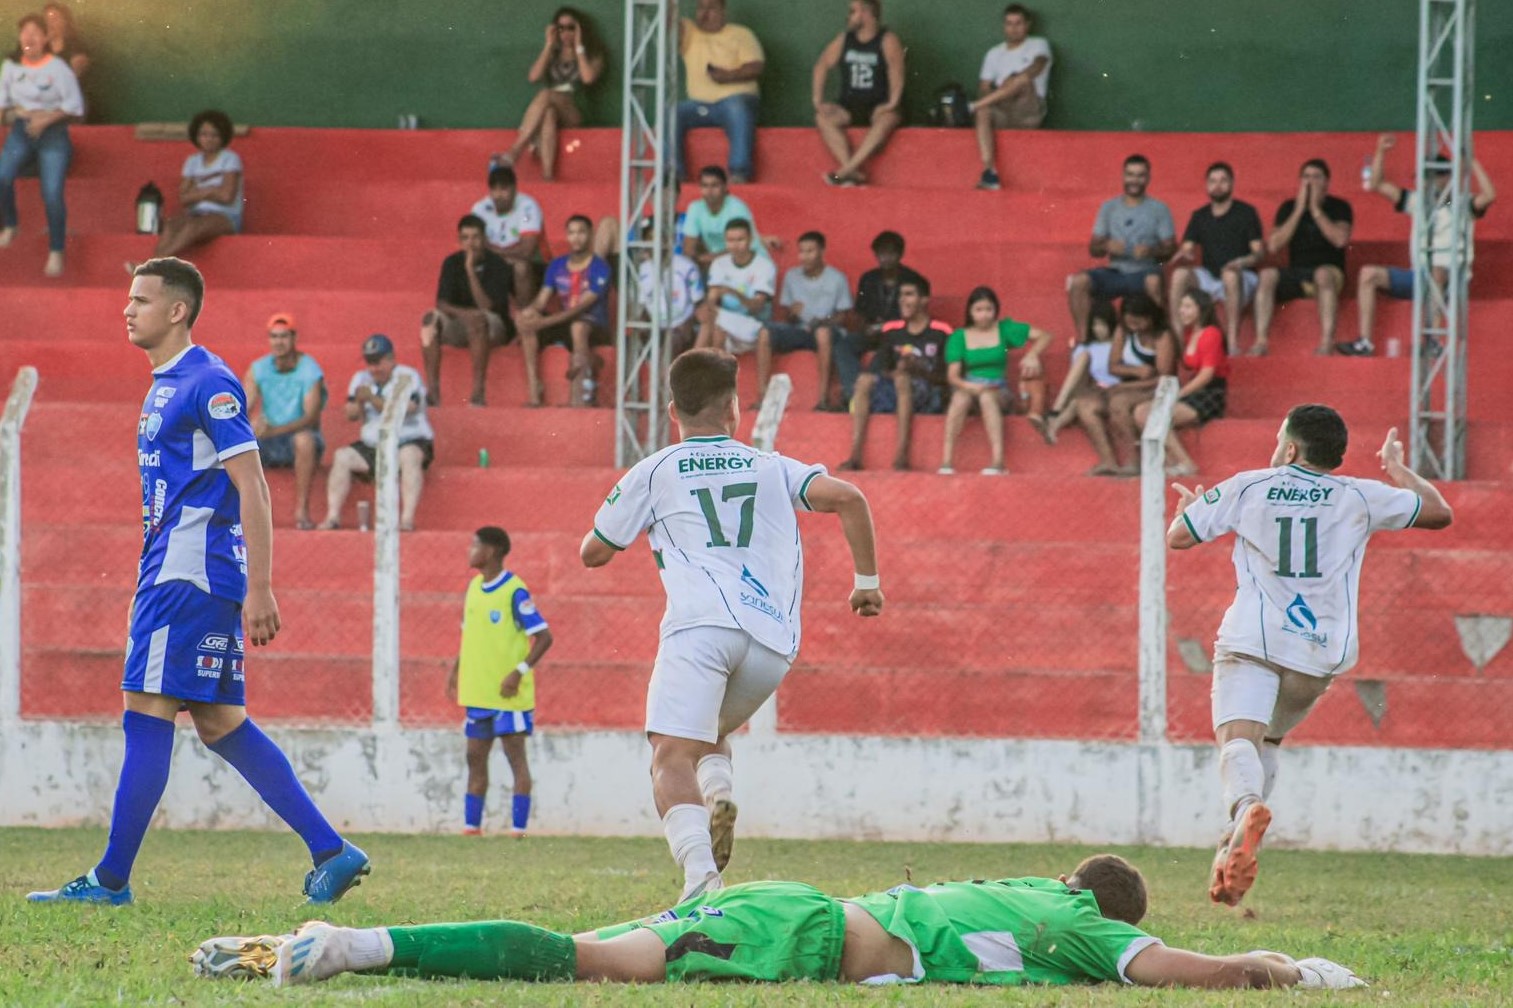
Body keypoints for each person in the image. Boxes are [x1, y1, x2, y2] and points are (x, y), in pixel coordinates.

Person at [25, 258, 370, 906]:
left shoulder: (208, 382)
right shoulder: (166, 383)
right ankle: (332, 850)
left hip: (187, 572)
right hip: (180, 569)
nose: (127, 310)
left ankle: (109, 880)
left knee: (145, 711)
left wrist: (261, 587)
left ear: (177, 310)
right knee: (219, 723)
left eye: (141, 300)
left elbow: (253, 486)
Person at [580, 348, 882, 901]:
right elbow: (849, 498)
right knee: (711, 729)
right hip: (771, 643)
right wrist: (867, 582)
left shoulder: (655, 470)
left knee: (671, 756)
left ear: (673, 410)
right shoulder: (771, 466)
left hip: (699, 628)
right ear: (734, 409)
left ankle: (700, 885)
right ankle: (718, 796)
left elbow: (593, 553)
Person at [192, 852, 1368, 991]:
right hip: (800, 936)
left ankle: (286, 950)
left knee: (598, 947)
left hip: (788, 907)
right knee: (589, 964)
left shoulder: (1022, 890)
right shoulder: (1091, 929)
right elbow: (1174, 968)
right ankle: (353, 947)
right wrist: (1277, 967)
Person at [1168, 405, 1452, 906]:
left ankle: (1245, 811)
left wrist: (1188, 510)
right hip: (1318, 656)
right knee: (1269, 740)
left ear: (1292, 448)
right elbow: (1438, 512)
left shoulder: (1250, 485)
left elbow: (1180, 537)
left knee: (1238, 740)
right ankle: (1234, 837)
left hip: (1253, 641)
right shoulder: (1361, 495)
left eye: (1281, 439)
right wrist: (1397, 469)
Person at [1338, 134, 1497, 356]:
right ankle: (1364, 342)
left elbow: (1490, 195)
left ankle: (1432, 340)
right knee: (1367, 274)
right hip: (1421, 277)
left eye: (1433, 176)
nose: (1428, 181)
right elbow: (1376, 184)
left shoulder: (1462, 203)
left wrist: (1471, 161)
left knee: (1438, 271)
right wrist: (1381, 152)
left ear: (1447, 177)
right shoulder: (1419, 202)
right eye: (1425, 176)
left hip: (1454, 280)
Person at [445, 526, 554, 839]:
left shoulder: (515, 591)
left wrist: (519, 671)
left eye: (474, 545)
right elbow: (470, 635)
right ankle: (471, 829)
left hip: (508, 695)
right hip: (478, 692)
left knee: (515, 759)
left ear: (490, 551)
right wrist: (455, 670)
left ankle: (518, 831)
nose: (469, 551)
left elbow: (544, 637)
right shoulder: (473, 588)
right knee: (474, 758)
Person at [318, 334, 434, 532]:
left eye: (378, 362)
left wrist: (371, 398)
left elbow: (408, 408)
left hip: (408, 439)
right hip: (375, 444)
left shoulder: (407, 376)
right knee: (342, 457)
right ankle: (333, 516)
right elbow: (351, 414)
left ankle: (406, 520)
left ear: (391, 359)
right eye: (369, 363)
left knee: (410, 456)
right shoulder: (361, 378)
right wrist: (359, 403)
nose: (373, 368)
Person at [838, 275, 951, 471]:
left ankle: (901, 457)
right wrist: (898, 370)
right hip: (898, 391)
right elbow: (882, 368)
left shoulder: (941, 332)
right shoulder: (894, 332)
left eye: (909, 295)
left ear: (924, 300)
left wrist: (919, 369)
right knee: (865, 380)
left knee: (902, 380)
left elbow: (946, 378)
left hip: (929, 395)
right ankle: (855, 455)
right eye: (900, 295)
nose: (902, 300)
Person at [0, 12, 83, 277]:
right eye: (25, 32)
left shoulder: (58, 68)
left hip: (53, 133)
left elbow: (74, 106)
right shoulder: (11, 66)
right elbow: (3, 103)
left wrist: (45, 119)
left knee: (51, 192)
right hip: (22, 130)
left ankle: (56, 250)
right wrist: (19, 116)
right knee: (2, 176)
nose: (30, 38)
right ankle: (10, 225)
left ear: (46, 38)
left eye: (36, 32)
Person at [938, 285, 1051, 476]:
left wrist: (1032, 354)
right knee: (959, 399)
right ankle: (946, 461)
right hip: (969, 386)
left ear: (996, 310)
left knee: (987, 398)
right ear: (970, 312)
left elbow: (1045, 336)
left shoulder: (1004, 329)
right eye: (978, 310)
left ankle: (998, 462)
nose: (984, 315)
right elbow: (953, 377)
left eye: (988, 309)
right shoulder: (959, 336)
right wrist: (971, 386)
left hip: (998, 389)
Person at [1066, 154, 1174, 345]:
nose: (1135, 180)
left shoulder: (1160, 209)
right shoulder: (1108, 208)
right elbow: (1094, 249)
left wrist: (1151, 251)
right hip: (1115, 272)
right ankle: (1084, 342)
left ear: (1148, 178)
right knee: (1079, 282)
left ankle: (1157, 342)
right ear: (1123, 176)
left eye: (1140, 175)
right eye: (1130, 175)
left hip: (1144, 272)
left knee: (1154, 281)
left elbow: (1171, 249)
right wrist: (1107, 245)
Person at [1252, 159, 1353, 356]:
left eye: (1316, 177)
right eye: (1306, 177)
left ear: (1327, 182)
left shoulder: (1340, 207)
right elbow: (1273, 245)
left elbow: (1340, 240)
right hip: (1297, 273)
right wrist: (1299, 210)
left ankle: (1326, 342)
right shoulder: (1288, 207)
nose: (1310, 182)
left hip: (1330, 273)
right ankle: (1261, 341)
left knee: (1323, 274)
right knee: (1266, 276)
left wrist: (1315, 210)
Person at [493, 7, 604, 182]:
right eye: (561, 28)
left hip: (576, 111)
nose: (566, 33)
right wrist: (548, 45)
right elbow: (533, 76)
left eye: (571, 28)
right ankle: (547, 176)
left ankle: (516, 150)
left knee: (547, 94)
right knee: (548, 114)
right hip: (552, 109)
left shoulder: (593, 53)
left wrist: (579, 47)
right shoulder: (554, 53)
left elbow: (588, 78)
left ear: (580, 29)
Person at [517, 214, 613, 408]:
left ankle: (578, 398)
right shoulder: (557, 265)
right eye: (571, 233)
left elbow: (580, 308)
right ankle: (536, 392)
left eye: (581, 232)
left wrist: (544, 322)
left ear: (591, 235)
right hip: (563, 322)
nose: (576, 237)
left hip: (594, 325)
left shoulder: (600, 267)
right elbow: (541, 301)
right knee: (525, 320)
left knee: (578, 326)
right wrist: (529, 313)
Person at [126, 109, 243, 269]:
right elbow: (184, 198)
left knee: (192, 227)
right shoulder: (192, 161)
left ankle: (151, 266)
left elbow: (226, 196)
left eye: (214, 135)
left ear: (223, 136)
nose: (208, 139)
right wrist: (211, 190)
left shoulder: (230, 158)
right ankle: (155, 268)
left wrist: (198, 192)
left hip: (225, 216)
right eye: (204, 134)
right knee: (171, 225)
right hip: (195, 214)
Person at [1168, 161, 1265, 355]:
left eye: (1223, 180)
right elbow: (1187, 248)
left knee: (1229, 274)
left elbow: (1259, 253)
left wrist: (1241, 262)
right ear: (1206, 185)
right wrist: (1182, 255)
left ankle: (1232, 344)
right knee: (1179, 274)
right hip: (1210, 277)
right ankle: (1177, 343)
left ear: (1232, 183)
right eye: (1212, 181)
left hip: (1241, 275)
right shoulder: (1199, 215)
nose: (1217, 185)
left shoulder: (1246, 212)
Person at [419, 213, 513, 408]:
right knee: (429, 320)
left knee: (478, 319)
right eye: (465, 238)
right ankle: (433, 393)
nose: (471, 243)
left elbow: (487, 306)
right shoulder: (451, 262)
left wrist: (470, 271)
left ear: (484, 239)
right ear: (459, 240)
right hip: (461, 321)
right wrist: (465, 315)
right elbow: (442, 303)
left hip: (493, 326)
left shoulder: (498, 265)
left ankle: (478, 394)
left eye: (476, 237)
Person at [1133, 289, 1228, 478]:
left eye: (1187, 307)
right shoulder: (1189, 333)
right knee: (1141, 411)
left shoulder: (1211, 334)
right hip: (1194, 391)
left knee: (1155, 416)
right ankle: (1170, 463)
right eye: (1181, 306)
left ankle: (1185, 463)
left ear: (1200, 309)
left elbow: (1206, 375)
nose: (1182, 311)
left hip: (1209, 393)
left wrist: (1179, 394)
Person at [244, 313, 326, 530]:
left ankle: (302, 511)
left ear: (294, 338)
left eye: (283, 336)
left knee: (304, 440)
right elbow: (243, 406)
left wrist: (274, 431)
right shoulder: (258, 368)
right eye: (273, 337)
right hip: (269, 438)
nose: (278, 342)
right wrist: (250, 427)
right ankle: (238, 515)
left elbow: (311, 417)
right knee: (237, 443)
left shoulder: (309, 369)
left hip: (298, 437)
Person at [813, 0, 904, 188]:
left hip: (878, 106)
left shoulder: (887, 39)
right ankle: (850, 171)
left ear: (865, 12)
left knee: (886, 121)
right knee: (822, 118)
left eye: (853, 11)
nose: (849, 16)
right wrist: (818, 100)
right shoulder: (844, 39)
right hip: (849, 105)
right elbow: (822, 65)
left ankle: (845, 172)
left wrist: (892, 103)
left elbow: (897, 70)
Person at [674, 0, 764, 184]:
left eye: (711, 8)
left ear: (723, 11)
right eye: (701, 8)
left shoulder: (741, 34)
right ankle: (673, 173)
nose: (705, 13)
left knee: (736, 107)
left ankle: (739, 172)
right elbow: (668, 22)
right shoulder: (690, 32)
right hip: (699, 105)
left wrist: (727, 75)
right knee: (672, 113)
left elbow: (756, 67)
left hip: (734, 101)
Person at [761, 230, 852, 410]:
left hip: (826, 330)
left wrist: (825, 320)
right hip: (801, 330)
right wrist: (792, 314)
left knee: (822, 333)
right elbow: (788, 317)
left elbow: (843, 316)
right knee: (765, 332)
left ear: (822, 252)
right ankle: (762, 398)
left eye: (810, 251)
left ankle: (823, 399)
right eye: (801, 251)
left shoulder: (837, 278)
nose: (804, 257)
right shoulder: (791, 276)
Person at [833, 230, 927, 404]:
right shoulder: (868, 279)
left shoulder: (913, 280)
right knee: (843, 345)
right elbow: (860, 311)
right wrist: (866, 328)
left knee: (882, 355)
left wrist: (889, 328)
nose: (885, 258)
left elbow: (917, 315)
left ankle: (865, 395)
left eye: (890, 252)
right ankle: (852, 391)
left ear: (900, 254)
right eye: (881, 253)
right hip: (871, 331)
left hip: (898, 335)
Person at [970, 3, 1051, 191]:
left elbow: (1037, 67)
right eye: (1009, 23)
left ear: (1027, 24)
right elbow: (984, 87)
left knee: (1021, 79)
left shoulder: (1038, 44)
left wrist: (1012, 80)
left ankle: (972, 106)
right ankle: (990, 172)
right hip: (1003, 109)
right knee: (983, 110)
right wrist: (1000, 91)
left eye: (1018, 23)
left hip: (1028, 110)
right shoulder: (994, 53)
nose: (1013, 28)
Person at [694, 218, 776, 403]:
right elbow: (712, 301)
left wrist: (733, 293)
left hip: (755, 325)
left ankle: (691, 372)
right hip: (726, 325)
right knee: (713, 324)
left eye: (740, 239)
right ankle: (719, 396)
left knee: (713, 318)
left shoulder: (764, 265)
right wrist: (708, 304)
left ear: (751, 239)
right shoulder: (720, 264)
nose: (735, 245)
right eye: (730, 240)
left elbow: (758, 306)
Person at [1040, 299, 1122, 473]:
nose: (1098, 329)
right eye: (1095, 325)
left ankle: (1055, 420)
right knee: (1083, 359)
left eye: (1102, 324)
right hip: (1091, 389)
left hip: (1116, 390)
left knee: (1078, 404)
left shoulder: (1122, 344)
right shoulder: (1086, 348)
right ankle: (1056, 415)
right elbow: (1077, 378)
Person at [1104, 292, 1180, 476]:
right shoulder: (1124, 331)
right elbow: (1113, 366)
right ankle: (1118, 456)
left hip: (1157, 389)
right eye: (1130, 323)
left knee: (1118, 403)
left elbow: (1164, 378)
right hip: (1131, 384)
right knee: (1093, 403)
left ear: (1150, 317)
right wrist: (1136, 371)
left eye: (1138, 323)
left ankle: (1134, 457)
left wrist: (1124, 388)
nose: (1134, 327)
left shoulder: (1163, 337)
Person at [471, 164, 546, 305]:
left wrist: (494, 252)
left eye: (504, 189)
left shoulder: (527, 208)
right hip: (497, 263)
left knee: (521, 266)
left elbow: (527, 251)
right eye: (494, 189)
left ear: (514, 188)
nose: (498, 195)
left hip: (534, 267)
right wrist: (501, 257)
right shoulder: (480, 209)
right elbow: (475, 247)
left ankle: (525, 318)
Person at [679, 165, 774, 269]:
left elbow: (740, 247)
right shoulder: (695, 208)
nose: (709, 191)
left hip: (751, 263)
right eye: (705, 186)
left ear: (725, 187)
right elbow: (688, 248)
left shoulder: (737, 207)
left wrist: (709, 258)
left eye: (715, 185)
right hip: (718, 265)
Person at [42, 2, 88, 80]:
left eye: (54, 19)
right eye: (46, 20)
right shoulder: (42, 47)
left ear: (65, 21)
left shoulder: (77, 47)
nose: (49, 24)